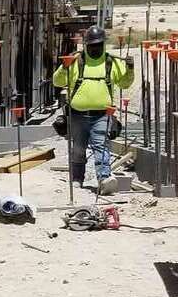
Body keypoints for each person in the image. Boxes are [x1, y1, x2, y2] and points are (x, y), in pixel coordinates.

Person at [53, 25, 134, 191]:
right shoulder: (76, 62)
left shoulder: (112, 63)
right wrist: (64, 66)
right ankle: (77, 179)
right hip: (77, 115)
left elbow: (124, 83)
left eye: (98, 45)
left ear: (103, 45)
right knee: (78, 149)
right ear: (86, 45)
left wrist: (130, 70)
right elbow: (58, 82)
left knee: (101, 146)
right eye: (92, 45)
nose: (95, 48)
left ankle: (104, 179)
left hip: (102, 116)